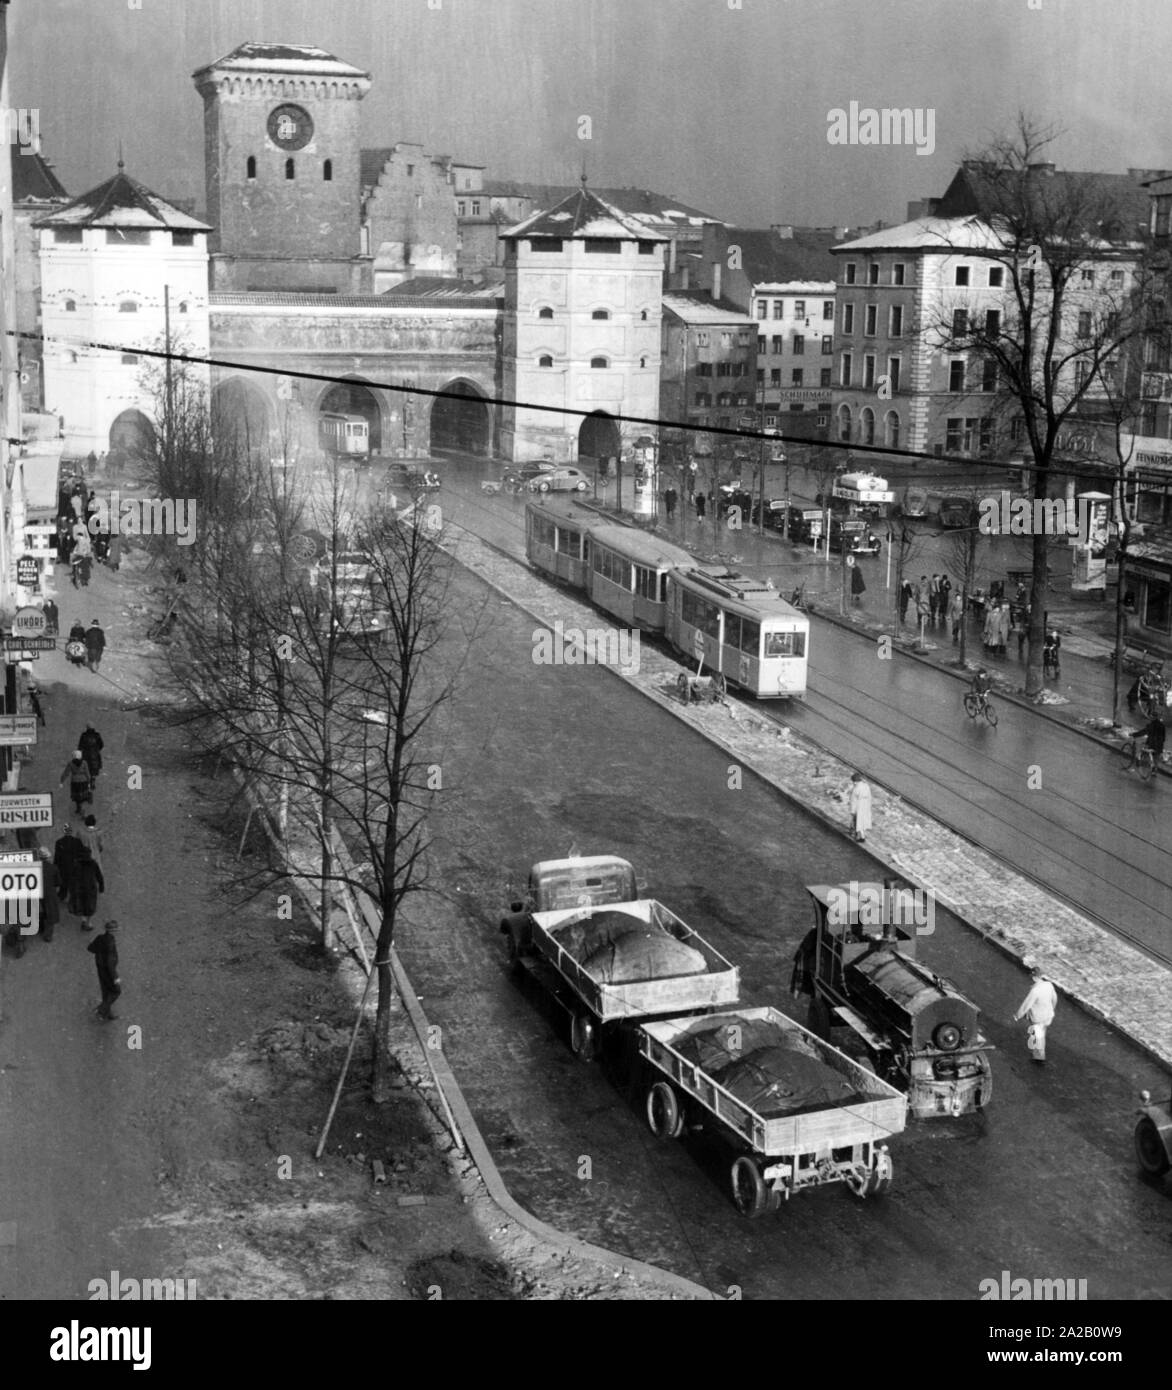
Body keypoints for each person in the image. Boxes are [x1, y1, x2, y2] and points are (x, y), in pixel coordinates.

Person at [1014, 963, 1058, 1064]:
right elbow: (1054, 998)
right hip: (1048, 1016)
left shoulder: (1035, 991)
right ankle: (1039, 1055)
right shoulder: (1049, 985)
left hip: (1038, 1018)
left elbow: (1026, 1005)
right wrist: (1052, 1009)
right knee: (1041, 1034)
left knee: (1038, 1037)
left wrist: (1017, 1016)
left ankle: (1039, 1058)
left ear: (1034, 977)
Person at [87, 919, 121, 1020]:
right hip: (108, 971)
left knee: (106, 991)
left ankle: (106, 1013)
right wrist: (115, 977)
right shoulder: (110, 943)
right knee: (116, 991)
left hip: (100, 968)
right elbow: (110, 963)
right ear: (112, 931)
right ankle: (101, 1010)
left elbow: (90, 948)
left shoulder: (100, 937)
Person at [69, 843, 105, 932]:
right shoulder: (93, 863)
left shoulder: (76, 863)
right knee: (90, 906)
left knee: (81, 904)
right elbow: (99, 876)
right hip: (91, 888)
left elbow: (72, 877)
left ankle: (83, 919)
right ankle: (88, 922)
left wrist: (71, 889)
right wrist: (101, 887)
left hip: (79, 888)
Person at [53, 822, 83, 904]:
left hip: (63, 867)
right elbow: (81, 854)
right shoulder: (77, 842)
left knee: (64, 883)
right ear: (71, 831)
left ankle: (62, 896)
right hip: (74, 866)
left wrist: (55, 867)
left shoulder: (59, 842)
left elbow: (57, 857)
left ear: (64, 831)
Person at [36, 847, 60, 943]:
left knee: (40, 911)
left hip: (38, 893)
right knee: (51, 914)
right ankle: (48, 935)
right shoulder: (53, 868)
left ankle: (40, 928)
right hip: (49, 893)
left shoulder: (34, 867)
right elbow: (58, 882)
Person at [59, 750, 94, 815]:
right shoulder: (84, 763)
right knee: (83, 796)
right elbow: (87, 773)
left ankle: (78, 808)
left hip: (75, 782)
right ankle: (82, 809)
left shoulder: (70, 763)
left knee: (76, 796)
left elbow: (66, 773)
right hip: (83, 782)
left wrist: (61, 781)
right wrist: (89, 782)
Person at [848, 771, 872, 843]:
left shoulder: (856, 789)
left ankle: (860, 837)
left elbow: (853, 801)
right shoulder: (866, 786)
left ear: (855, 781)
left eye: (853, 782)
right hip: (866, 806)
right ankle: (862, 835)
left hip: (858, 807)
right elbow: (869, 796)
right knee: (863, 822)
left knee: (858, 822)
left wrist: (852, 811)